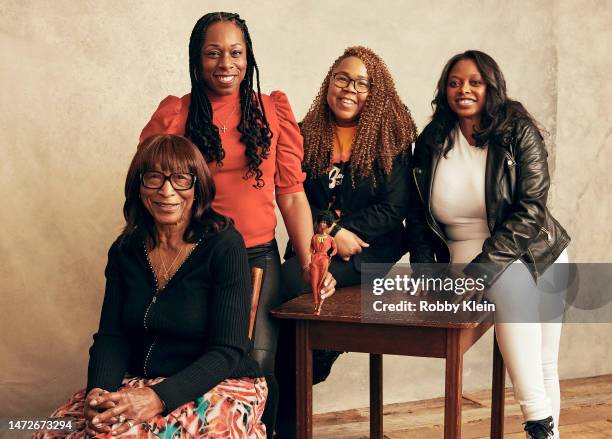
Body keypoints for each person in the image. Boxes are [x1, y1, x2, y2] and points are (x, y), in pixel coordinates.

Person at [138, 12, 335, 436]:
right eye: (213, 53)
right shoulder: (176, 116)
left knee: (255, 369)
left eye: (235, 52)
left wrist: (307, 262)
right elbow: (152, 189)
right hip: (194, 260)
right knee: (198, 366)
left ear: (249, 58)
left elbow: (291, 192)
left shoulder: (272, 111)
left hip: (256, 260)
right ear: (197, 58)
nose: (225, 63)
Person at [34, 135, 266, 438]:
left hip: (216, 382)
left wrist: (159, 397)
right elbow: (111, 336)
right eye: (153, 178)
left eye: (181, 179)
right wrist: (98, 391)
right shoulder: (125, 249)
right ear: (139, 187)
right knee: (53, 431)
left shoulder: (223, 245)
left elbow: (226, 351)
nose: (167, 191)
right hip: (139, 381)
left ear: (198, 188)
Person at [409, 50, 571, 438]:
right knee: (509, 283)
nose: (463, 90)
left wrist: (482, 273)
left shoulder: (517, 130)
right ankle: (536, 419)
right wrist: (426, 272)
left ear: (490, 86)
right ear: (444, 89)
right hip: (466, 255)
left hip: (539, 252)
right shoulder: (432, 140)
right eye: (454, 82)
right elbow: (416, 216)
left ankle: (545, 430)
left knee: (546, 364)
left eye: (474, 82)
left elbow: (531, 209)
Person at [277, 46, 420, 437]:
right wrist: (331, 231)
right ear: (328, 82)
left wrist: (343, 234)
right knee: (281, 310)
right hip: (320, 244)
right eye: (341, 78)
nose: (348, 89)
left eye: (361, 83)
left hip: (372, 252)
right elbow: (299, 196)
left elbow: (393, 210)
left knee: (289, 286)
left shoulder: (391, 138)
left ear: (375, 92)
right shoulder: (307, 133)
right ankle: (282, 416)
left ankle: (290, 404)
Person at [309, 211, 338, 314]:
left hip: (324, 259)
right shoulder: (314, 237)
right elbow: (311, 248)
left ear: (329, 223)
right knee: (314, 282)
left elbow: (335, 249)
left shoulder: (331, 238)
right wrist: (310, 256)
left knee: (322, 283)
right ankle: (316, 303)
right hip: (315, 260)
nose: (322, 224)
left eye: (325, 222)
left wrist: (331, 255)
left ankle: (319, 306)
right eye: (321, 221)